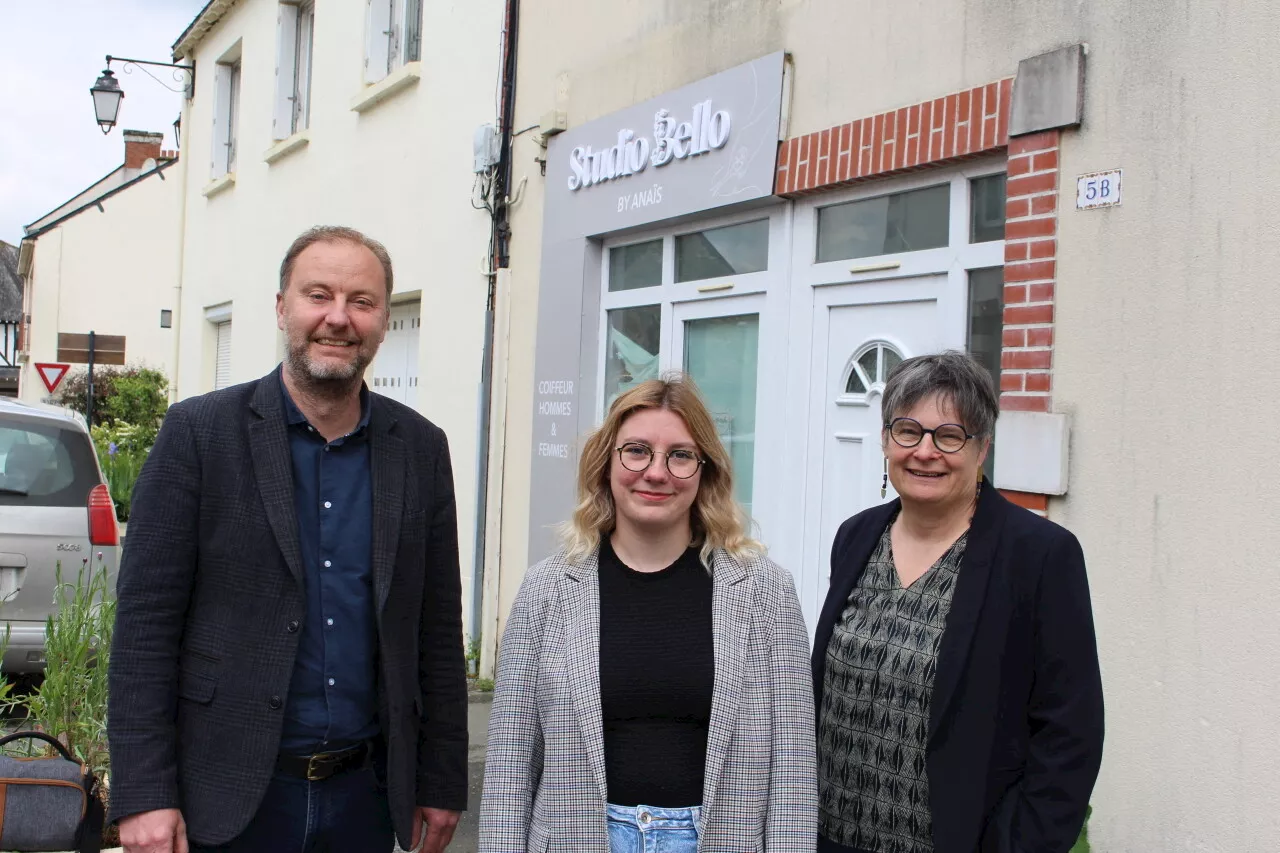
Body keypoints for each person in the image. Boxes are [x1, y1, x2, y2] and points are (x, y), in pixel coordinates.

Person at [107, 226, 468, 853]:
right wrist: (144, 793)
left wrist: (440, 780)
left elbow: (436, 629)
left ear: (385, 320)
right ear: (282, 308)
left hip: (366, 798)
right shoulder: (200, 434)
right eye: (318, 295)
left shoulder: (420, 448)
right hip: (224, 798)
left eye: (362, 301)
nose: (339, 318)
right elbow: (144, 627)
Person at [480, 374, 817, 853]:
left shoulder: (765, 591)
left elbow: (794, 769)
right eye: (636, 450)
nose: (656, 472)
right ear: (606, 464)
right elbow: (511, 763)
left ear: (705, 471)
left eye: (680, 455)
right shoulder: (546, 590)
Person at [811, 351, 1104, 853]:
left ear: (982, 448)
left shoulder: (1038, 555)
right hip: (832, 838)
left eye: (949, 436)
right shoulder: (856, 537)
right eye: (907, 430)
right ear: (885, 440)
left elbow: (1070, 733)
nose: (926, 451)